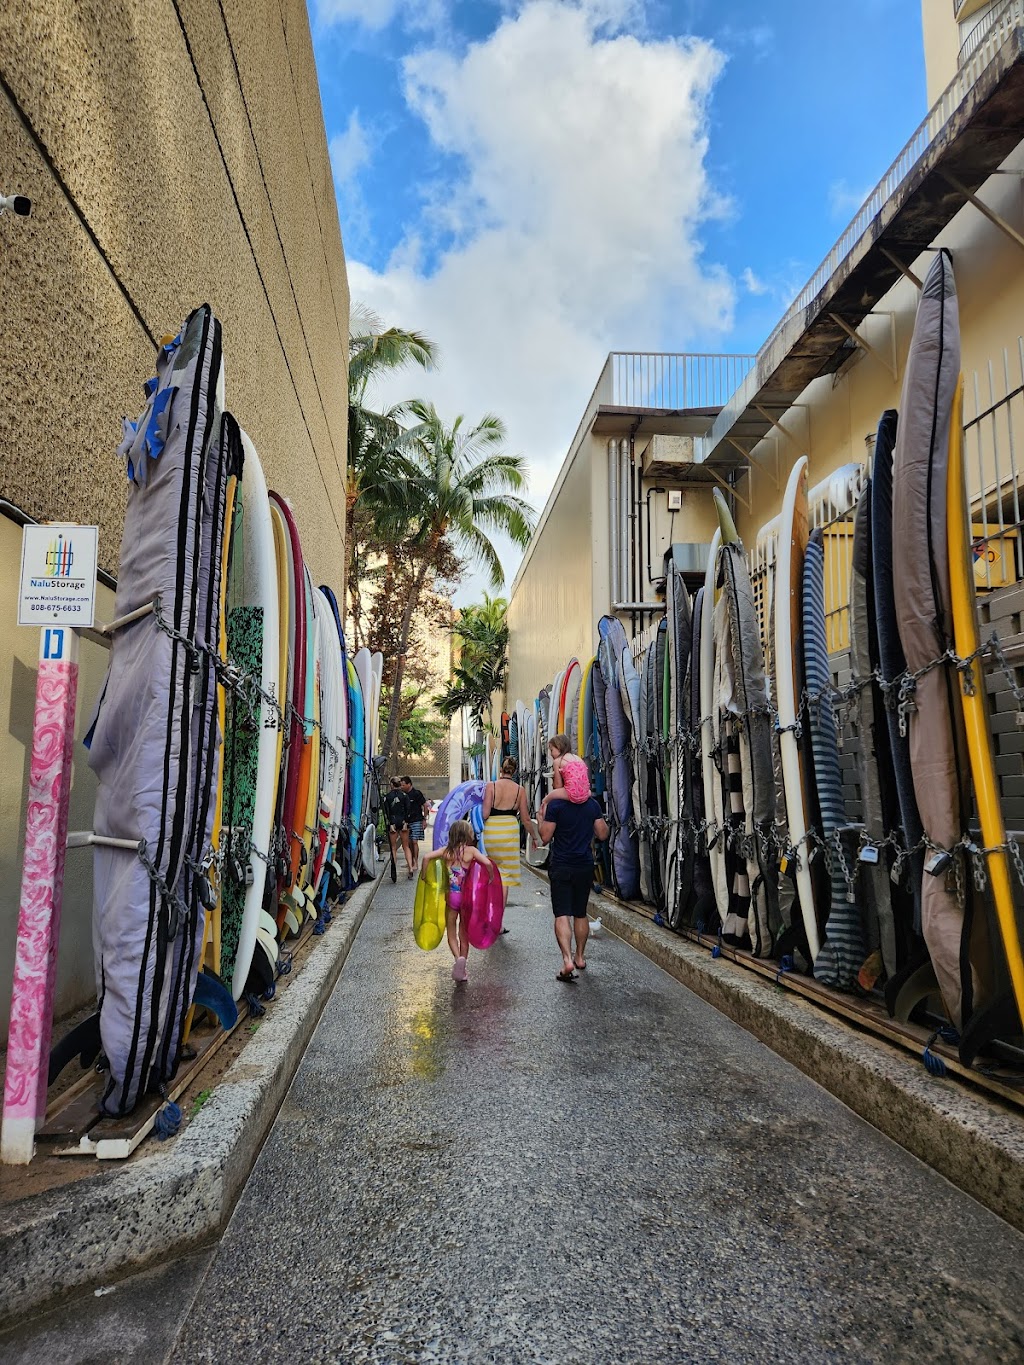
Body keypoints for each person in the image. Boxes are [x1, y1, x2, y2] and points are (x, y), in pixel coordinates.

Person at [537, 784, 608, 982]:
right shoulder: (592, 805)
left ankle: (567, 959)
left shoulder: (556, 806)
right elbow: (603, 834)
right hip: (584, 865)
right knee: (580, 912)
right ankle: (580, 957)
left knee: (562, 914)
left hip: (561, 865)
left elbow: (545, 837)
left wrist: (541, 817)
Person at [420, 818, 494, 982]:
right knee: (464, 934)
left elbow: (426, 858)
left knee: (451, 932)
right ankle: (464, 965)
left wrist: (424, 877)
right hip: (466, 898)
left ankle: (457, 959)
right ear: (467, 834)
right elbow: (488, 863)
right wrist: (491, 878)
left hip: (451, 897)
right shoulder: (471, 851)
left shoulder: (446, 852)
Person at [482, 757, 541, 912]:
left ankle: (488, 913)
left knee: (491, 871)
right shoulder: (519, 790)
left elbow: (485, 814)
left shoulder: (491, 786)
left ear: (501, 769)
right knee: (505, 877)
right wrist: (535, 837)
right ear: (514, 772)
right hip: (509, 831)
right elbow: (526, 819)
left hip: (492, 832)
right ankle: (498, 922)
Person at [383, 776, 414, 878]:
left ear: (391, 784)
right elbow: (408, 810)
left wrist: (390, 824)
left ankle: (394, 868)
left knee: (393, 847)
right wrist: (406, 822)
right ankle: (410, 867)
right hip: (403, 822)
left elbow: (386, 812)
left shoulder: (387, 797)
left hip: (393, 822)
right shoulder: (405, 796)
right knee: (406, 846)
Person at [401, 776, 428, 871]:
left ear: (409, 784)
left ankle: (416, 862)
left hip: (417, 820)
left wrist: (424, 819)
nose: (402, 787)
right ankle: (410, 861)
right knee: (408, 843)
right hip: (407, 821)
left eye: (403, 785)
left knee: (414, 842)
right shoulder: (403, 795)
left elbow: (425, 805)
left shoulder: (417, 794)